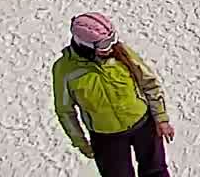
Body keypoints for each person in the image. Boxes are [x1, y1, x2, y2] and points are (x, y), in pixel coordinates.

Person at [52, 13, 174, 177]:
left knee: (156, 171)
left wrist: (161, 118)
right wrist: (81, 142)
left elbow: (149, 83)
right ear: (85, 45)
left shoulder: (120, 52)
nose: (110, 47)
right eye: (104, 44)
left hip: (143, 125)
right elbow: (65, 111)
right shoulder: (65, 70)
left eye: (111, 40)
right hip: (107, 139)